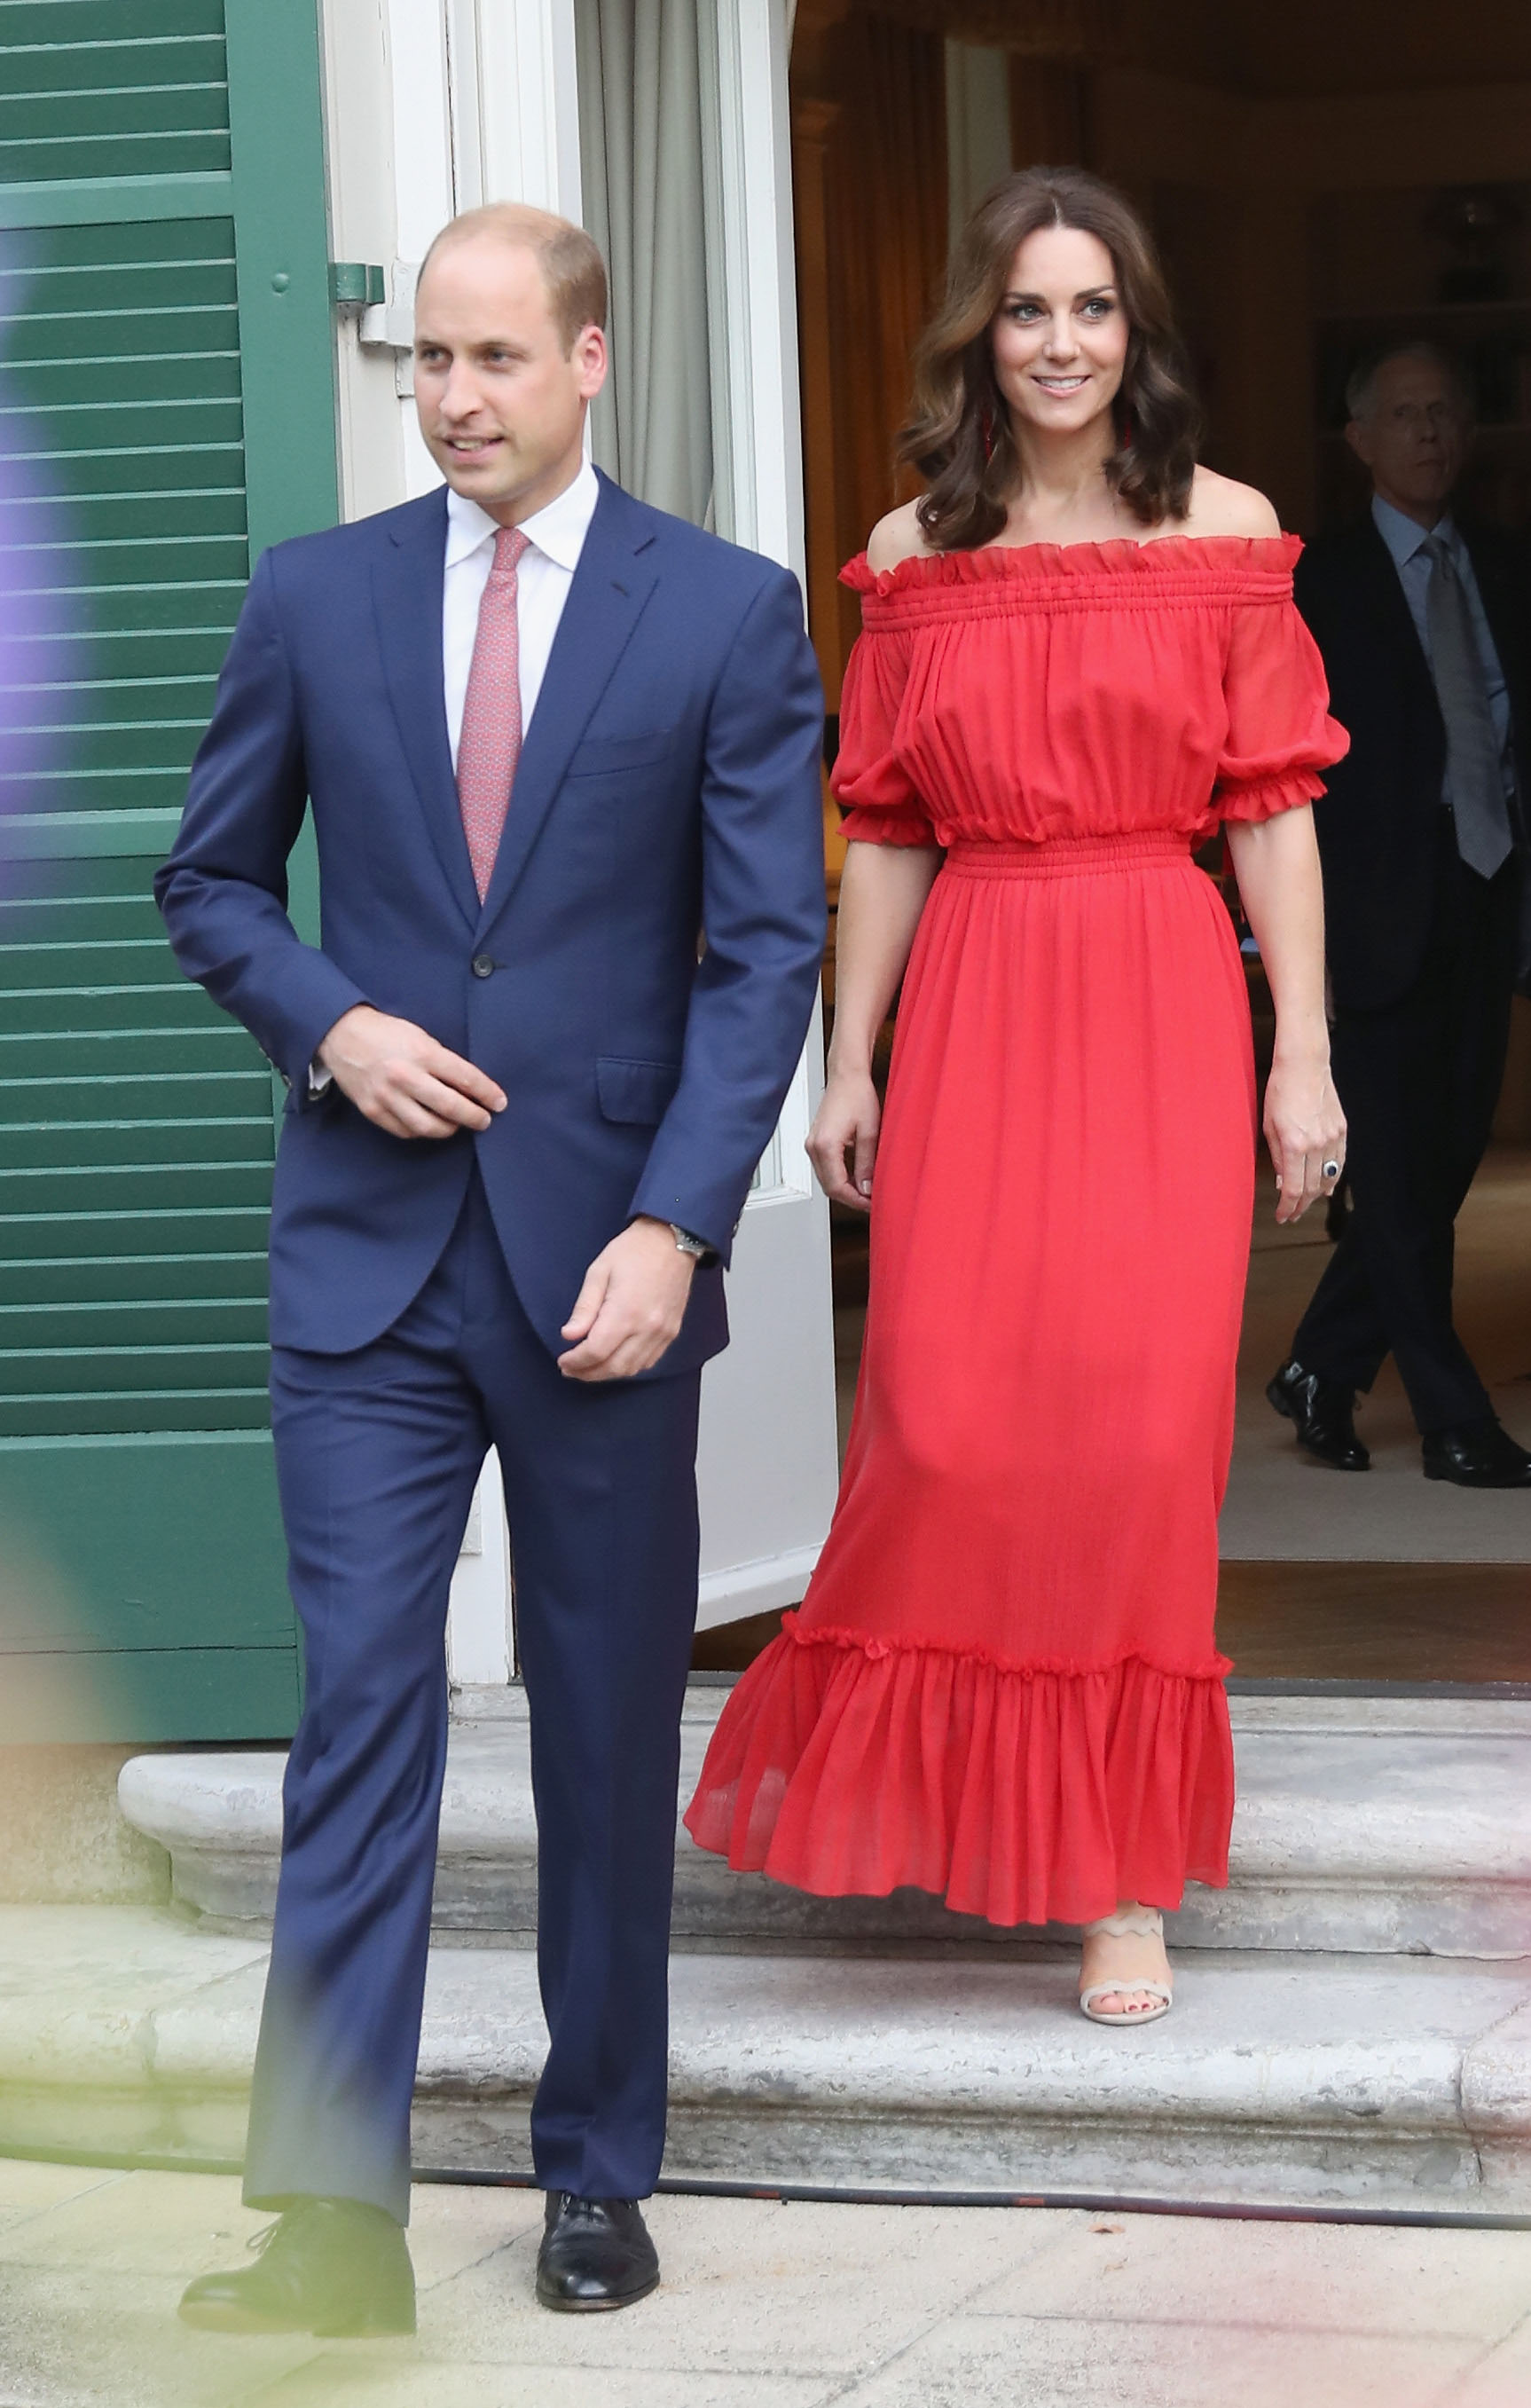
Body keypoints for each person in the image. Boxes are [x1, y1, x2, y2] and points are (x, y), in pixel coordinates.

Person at [156, 203, 824, 2328]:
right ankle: (331, 2220)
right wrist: (327, 1020)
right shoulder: (313, 598)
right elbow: (211, 880)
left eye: (492, 361)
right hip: (362, 1272)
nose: (449, 398)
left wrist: (675, 1220)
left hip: (601, 1275)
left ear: (591, 362)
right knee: (360, 1716)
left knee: (610, 1725)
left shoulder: (722, 615)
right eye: (424, 362)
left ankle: (595, 2170)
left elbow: (762, 958)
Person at [687, 167, 1347, 2024]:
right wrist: (846, 1052)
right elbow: (882, 828)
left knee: (1135, 1443)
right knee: (951, 1421)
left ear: (1133, 337)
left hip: (1153, 977)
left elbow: (1274, 810)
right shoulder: (912, 554)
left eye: (1092, 311)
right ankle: (940, 1801)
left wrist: (1297, 1056)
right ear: (980, 334)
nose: (1059, 344)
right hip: (976, 992)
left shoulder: (1225, 531)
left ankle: (1114, 1880)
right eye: (1028, 311)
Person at [1267, 342, 1531, 1486]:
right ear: (1361, 441)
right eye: (1406, 414)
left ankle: (1320, 1368)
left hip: (1491, 883)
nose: (1430, 432)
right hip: (1373, 903)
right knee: (1392, 1172)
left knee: (1439, 1164)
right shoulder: (1316, 582)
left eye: (1446, 411)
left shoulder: (1509, 561)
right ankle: (1453, 1418)